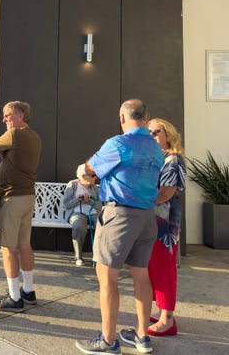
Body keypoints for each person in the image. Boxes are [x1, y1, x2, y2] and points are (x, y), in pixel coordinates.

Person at [76, 99, 164, 355]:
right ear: (146, 117)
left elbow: (90, 168)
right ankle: (142, 336)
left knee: (107, 277)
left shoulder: (117, 143)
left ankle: (108, 340)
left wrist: (87, 173)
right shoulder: (155, 147)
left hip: (120, 215)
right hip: (147, 216)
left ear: (122, 118)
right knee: (141, 275)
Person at [0, 101, 41, 312]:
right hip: (27, 196)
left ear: (20, 116)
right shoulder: (35, 137)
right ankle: (28, 291)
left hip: (12, 198)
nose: (4, 120)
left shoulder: (14, 135)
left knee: (8, 248)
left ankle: (14, 297)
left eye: (7, 115)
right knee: (24, 245)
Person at [144, 118, 186, 336]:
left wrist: (142, 201)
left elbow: (167, 192)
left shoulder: (172, 160)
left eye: (156, 132)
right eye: (148, 132)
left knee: (163, 267)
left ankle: (167, 319)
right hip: (153, 220)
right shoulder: (156, 159)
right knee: (154, 266)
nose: (151, 135)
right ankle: (163, 312)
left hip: (164, 223)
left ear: (168, 135)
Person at [63, 163, 102, 266]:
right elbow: (67, 204)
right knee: (78, 226)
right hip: (77, 213)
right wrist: (79, 199)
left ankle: (99, 257)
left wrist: (89, 199)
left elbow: (99, 205)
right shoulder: (73, 184)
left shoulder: (94, 187)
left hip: (93, 213)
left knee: (102, 226)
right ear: (84, 176)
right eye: (93, 175)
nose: (96, 177)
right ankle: (78, 257)